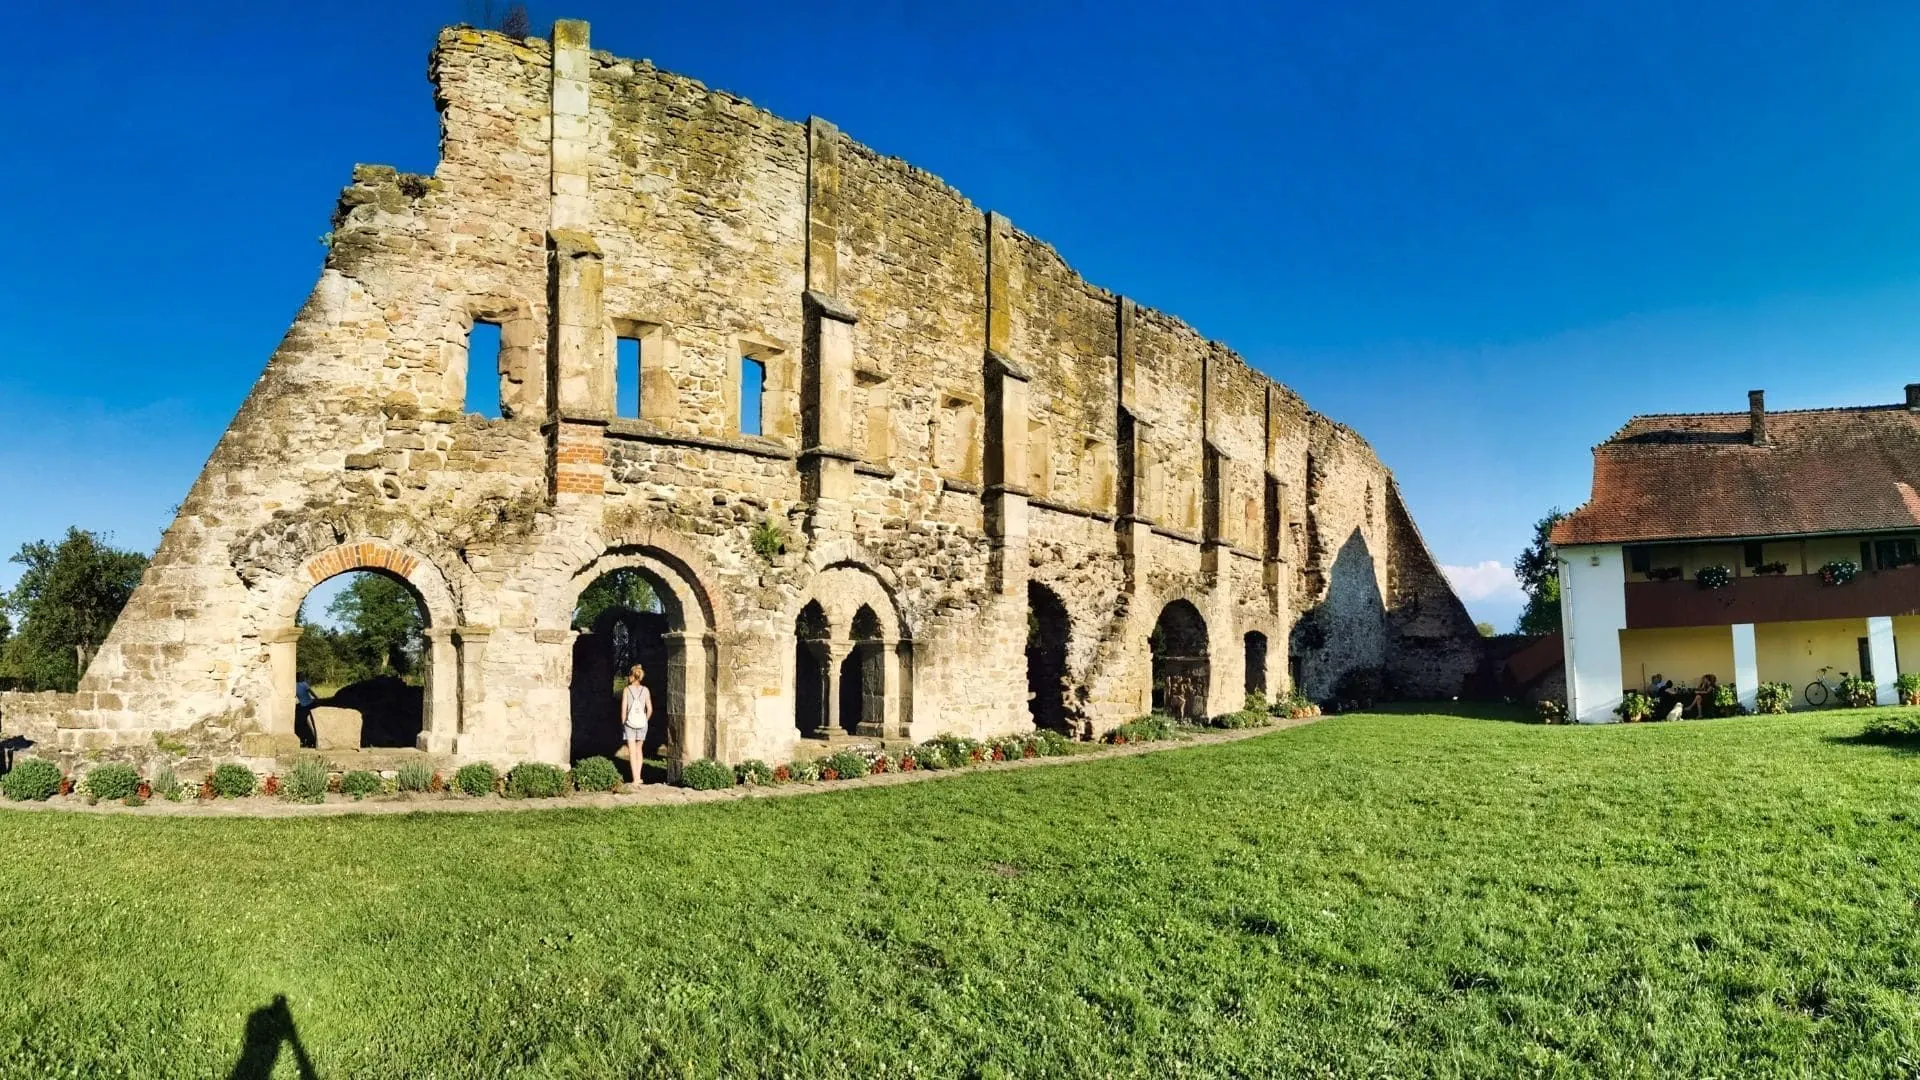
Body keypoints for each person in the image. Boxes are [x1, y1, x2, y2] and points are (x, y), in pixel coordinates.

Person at [621, 664, 653, 784]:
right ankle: (639, 777)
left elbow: (624, 709)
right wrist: (645, 720)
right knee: (639, 750)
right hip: (642, 724)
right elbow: (650, 709)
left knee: (632, 751)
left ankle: (634, 778)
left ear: (632, 676)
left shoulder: (626, 690)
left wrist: (624, 722)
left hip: (629, 724)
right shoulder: (645, 690)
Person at [294, 673, 317, 748]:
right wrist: (318, 699)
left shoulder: (295, 686)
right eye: (302, 676)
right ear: (300, 678)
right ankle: (310, 740)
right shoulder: (304, 684)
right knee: (307, 723)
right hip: (309, 704)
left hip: (304, 706)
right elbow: (311, 693)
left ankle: (306, 740)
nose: (303, 678)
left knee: (303, 723)